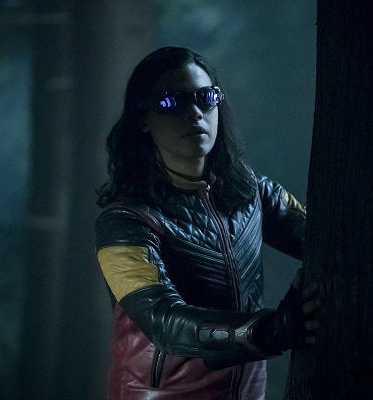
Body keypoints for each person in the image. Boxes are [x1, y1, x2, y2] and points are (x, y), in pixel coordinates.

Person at [95, 46, 319, 400]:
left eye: (206, 97)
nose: (194, 112)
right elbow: (163, 320)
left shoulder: (251, 191)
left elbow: (328, 239)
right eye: (171, 102)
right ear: (143, 119)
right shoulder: (124, 222)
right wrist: (269, 330)